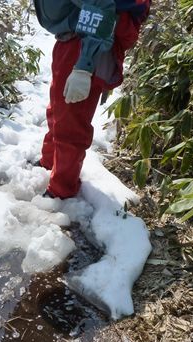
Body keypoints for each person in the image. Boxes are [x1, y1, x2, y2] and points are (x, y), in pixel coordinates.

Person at [33, 0, 150, 199]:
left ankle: (61, 190)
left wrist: (84, 66)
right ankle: (48, 161)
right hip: (70, 41)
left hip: (85, 45)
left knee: (71, 121)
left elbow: (101, 7)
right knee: (58, 110)